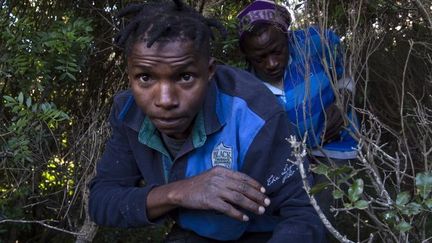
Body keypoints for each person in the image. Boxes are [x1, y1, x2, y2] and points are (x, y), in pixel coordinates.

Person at [89, 0, 325, 242]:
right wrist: (179, 192)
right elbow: (102, 200)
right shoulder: (129, 114)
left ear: (209, 71)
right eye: (145, 78)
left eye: (185, 77)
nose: (165, 100)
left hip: (264, 233)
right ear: (130, 75)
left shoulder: (255, 113)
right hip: (196, 234)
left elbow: (304, 212)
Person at [237, 0, 359, 219]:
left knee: (319, 215)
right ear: (247, 56)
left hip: (337, 147)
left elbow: (348, 69)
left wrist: (343, 101)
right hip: (291, 162)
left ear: (288, 38)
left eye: (277, 51)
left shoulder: (316, 41)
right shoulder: (246, 87)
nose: (272, 63)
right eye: (260, 58)